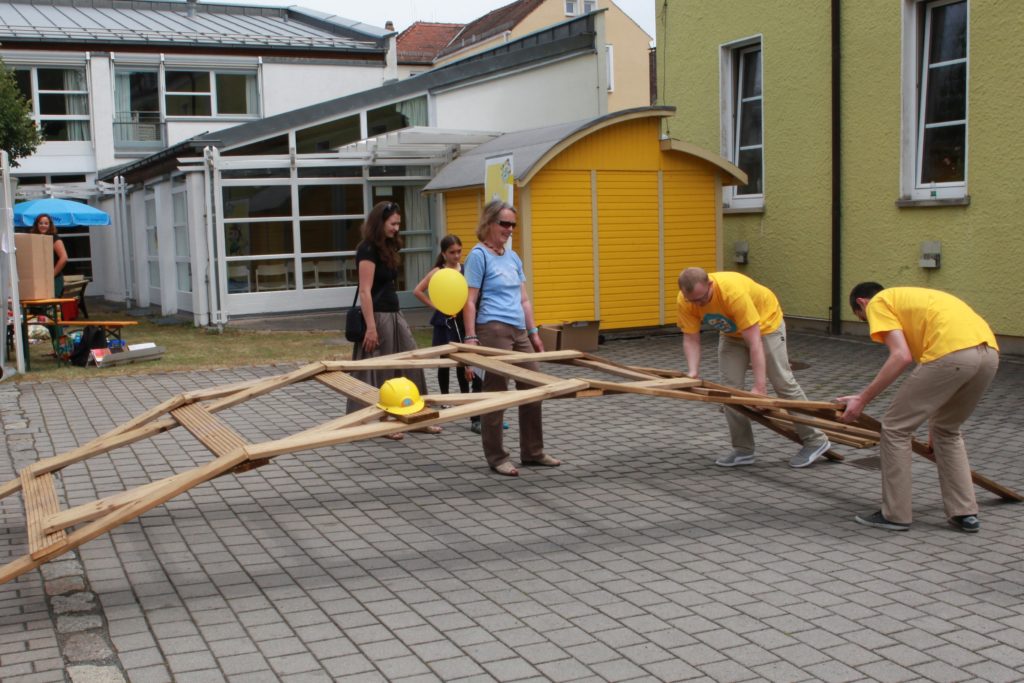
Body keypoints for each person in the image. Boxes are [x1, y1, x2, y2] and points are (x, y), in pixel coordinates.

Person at [838, 283, 999, 533]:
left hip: (952, 355)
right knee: (947, 429)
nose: (872, 327)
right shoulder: (913, 299)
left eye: (863, 320)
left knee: (894, 428)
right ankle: (965, 512)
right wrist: (934, 428)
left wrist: (862, 399)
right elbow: (939, 381)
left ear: (861, 303)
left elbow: (901, 356)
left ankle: (895, 515)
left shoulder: (879, 302)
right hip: (988, 354)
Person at [677, 267, 832, 468]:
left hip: (766, 327)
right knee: (729, 390)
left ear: (710, 285)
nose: (699, 304)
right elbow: (691, 338)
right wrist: (692, 372)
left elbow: (755, 343)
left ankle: (815, 440)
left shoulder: (733, 293)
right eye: (693, 301)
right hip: (731, 333)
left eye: (702, 298)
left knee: (782, 383)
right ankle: (743, 450)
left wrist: (760, 387)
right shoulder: (685, 300)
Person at [461, 200, 559, 476]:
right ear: (489, 223)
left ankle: (533, 451)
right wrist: (470, 336)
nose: (509, 229)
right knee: (496, 393)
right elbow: (469, 301)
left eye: (513, 225)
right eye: (504, 224)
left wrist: (534, 332)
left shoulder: (513, 257)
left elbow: (524, 299)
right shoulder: (479, 256)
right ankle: (497, 456)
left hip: (518, 330)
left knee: (534, 386)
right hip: (492, 329)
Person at [346, 201, 441, 439]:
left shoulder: (389, 246)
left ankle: (416, 415)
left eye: (399, 223)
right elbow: (365, 290)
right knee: (380, 369)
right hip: (377, 316)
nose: (397, 228)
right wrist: (370, 327)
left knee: (410, 361)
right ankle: (378, 420)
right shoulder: (367, 249)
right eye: (393, 223)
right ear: (380, 222)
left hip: (394, 313)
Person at [413, 234, 483, 433]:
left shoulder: (466, 270)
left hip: (461, 321)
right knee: (445, 362)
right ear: (443, 254)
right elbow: (418, 290)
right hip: (444, 322)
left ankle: (464, 399)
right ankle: (444, 398)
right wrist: (435, 305)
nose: (456, 255)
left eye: (459, 251)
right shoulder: (438, 271)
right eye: (452, 252)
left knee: (462, 362)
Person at [30, 214, 68, 297]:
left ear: (50, 225)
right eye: (41, 223)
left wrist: (52, 275)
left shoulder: (54, 238)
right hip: (39, 279)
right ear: (36, 225)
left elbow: (64, 258)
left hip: (54, 279)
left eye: (46, 223)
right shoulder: (34, 238)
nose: (43, 225)